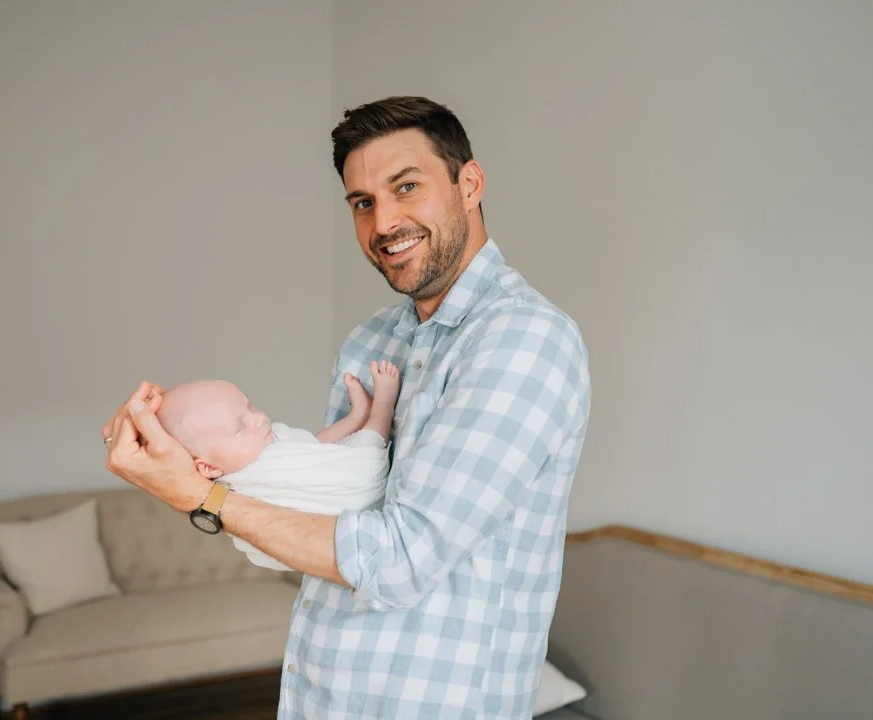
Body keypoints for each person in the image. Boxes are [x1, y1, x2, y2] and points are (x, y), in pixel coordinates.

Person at [102, 95, 591, 719]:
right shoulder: (369, 343)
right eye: (363, 203)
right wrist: (179, 456)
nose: (384, 222)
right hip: (323, 692)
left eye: (406, 187)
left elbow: (401, 561)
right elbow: (319, 505)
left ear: (469, 184)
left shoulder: (524, 339)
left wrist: (203, 499)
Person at [153, 363, 401, 570]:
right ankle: (383, 407)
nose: (258, 418)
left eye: (248, 406)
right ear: (209, 468)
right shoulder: (247, 483)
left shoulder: (258, 447)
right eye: (240, 427)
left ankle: (358, 415)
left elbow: (313, 448)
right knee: (366, 457)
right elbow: (355, 471)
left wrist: (355, 420)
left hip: (331, 478)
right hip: (351, 502)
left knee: (315, 445)